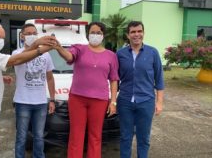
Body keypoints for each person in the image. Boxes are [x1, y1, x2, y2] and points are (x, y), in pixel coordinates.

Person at [0, 23, 56, 158]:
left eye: (3, 37)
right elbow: (16, 60)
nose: (1, 40)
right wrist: (39, 48)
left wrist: (0, 78)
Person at [54, 22, 119, 158]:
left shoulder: (111, 55)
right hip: (77, 98)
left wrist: (113, 101)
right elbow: (69, 57)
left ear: (103, 35)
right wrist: (59, 48)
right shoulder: (79, 48)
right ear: (88, 34)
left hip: (99, 100)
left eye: (98, 33)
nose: (95, 35)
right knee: (76, 135)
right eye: (92, 32)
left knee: (95, 136)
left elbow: (114, 79)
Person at [116, 21, 164, 158]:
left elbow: (159, 78)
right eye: (133, 32)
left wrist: (159, 102)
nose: (136, 34)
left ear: (143, 33)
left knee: (144, 139)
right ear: (128, 35)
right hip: (125, 102)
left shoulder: (152, 52)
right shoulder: (120, 54)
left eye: (139, 31)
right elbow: (114, 78)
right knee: (125, 137)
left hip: (146, 101)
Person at [12, 23, 56, 158]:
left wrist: (52, 100)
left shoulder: (46, 55)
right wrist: (37, 44)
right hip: (22, 101)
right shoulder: (17, 53)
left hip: (41, 103)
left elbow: (49, 78)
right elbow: (18, 61)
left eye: (34, 33)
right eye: (28, 33)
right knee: (21, 136)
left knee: (39, 137)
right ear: (22, 36)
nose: (32, 35)